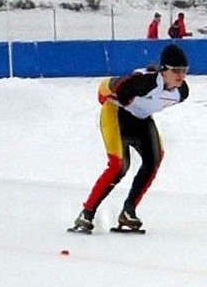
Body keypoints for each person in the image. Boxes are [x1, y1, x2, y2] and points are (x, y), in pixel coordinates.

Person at [72, 44, 190, 233]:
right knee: (119, 166)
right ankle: (86, 213)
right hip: (116, 113)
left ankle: (128, 211)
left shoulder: (181, 92)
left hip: (141, 119)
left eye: (184, 71)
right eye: (176, 70)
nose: (181, 76)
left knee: (154, 159)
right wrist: (105, 100)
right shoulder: (144, 82)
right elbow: (107, 86)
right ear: (163, 70)